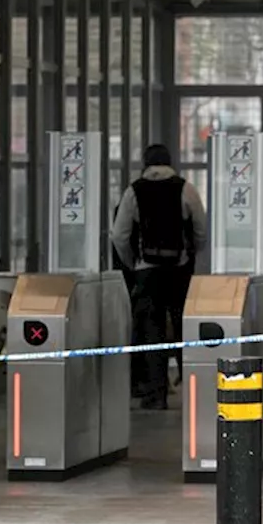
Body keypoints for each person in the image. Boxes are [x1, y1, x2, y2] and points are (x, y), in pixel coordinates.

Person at [111, 143, 208, 410]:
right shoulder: (185, 188)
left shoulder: (134, 190)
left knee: (150, 332)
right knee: (182, 328)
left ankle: (156, 394)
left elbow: (119, 235)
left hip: (147, 270)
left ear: (145, 162)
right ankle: (192, 390)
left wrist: (133, 263)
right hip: (179, 269)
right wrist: (191, 253)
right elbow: (201, 227)